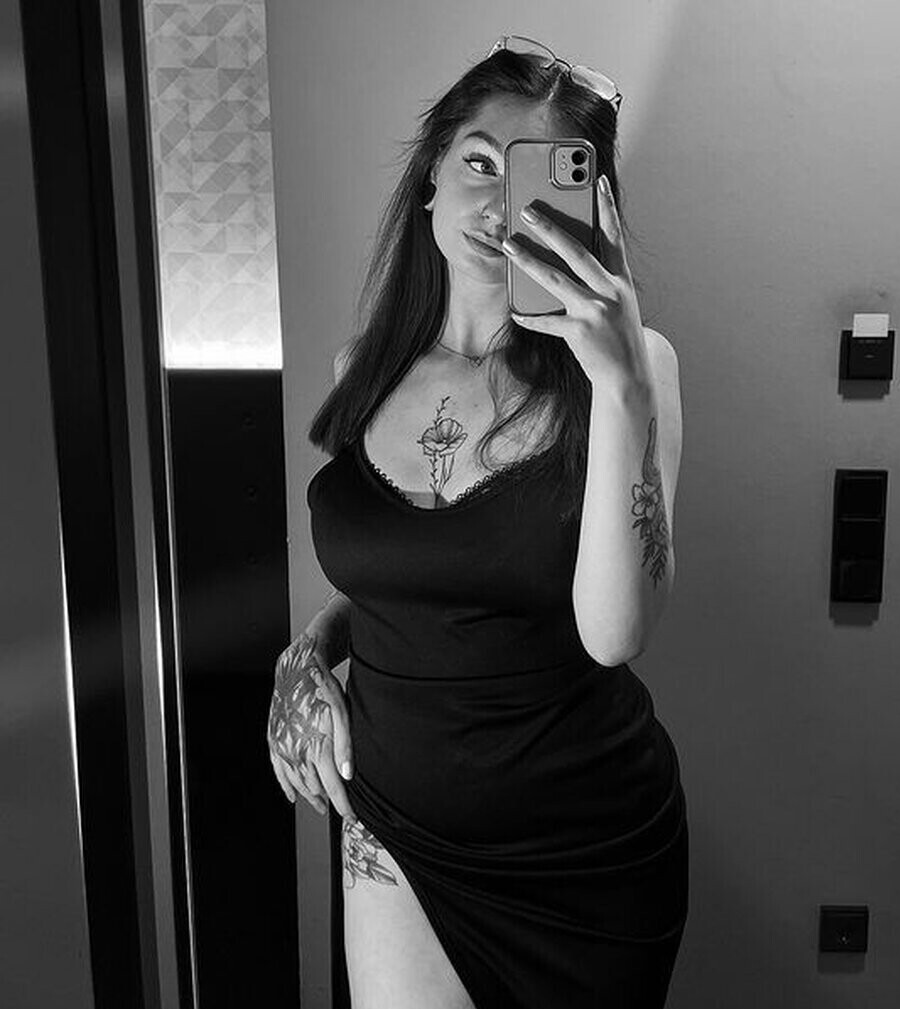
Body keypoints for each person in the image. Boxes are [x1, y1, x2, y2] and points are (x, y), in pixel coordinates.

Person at [267, 35, 687, 1009]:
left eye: (534, 180)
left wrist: (620, 382)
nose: (499, 207)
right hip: (396, 832)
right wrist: (308, 649)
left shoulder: (637, 370)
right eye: (480, 163)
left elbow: (615, 632)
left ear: (588, 210)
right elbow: (405, 574)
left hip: (588, 856)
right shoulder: (361, 369)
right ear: (430, 175)